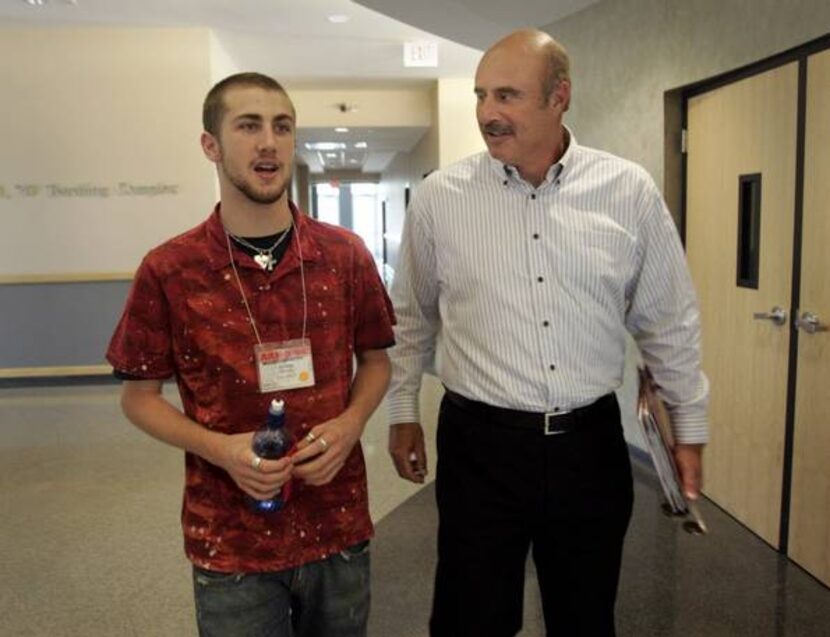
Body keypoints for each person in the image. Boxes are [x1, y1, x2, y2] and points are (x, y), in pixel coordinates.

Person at [387, 29, 708, 637]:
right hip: (478, 447)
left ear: (559, 97)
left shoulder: (627, 191)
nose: (487, 113)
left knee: (584, 617)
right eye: (481, 95)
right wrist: (403, 409)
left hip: (587, 448)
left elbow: (670, 321)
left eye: (507, 95)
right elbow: (410, 316)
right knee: (469, 620)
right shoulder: (440, 199)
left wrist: (687, 428)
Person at [107, 72, 395, 637]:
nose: (269, 141)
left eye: (281, 127)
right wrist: (220, 449)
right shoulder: (171, 269)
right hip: (230, 538)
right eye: (248, 126)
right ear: (210, 145)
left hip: (335, 522)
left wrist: (350, 423)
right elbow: (139, 398)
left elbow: (377, 360)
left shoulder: (344, 256)